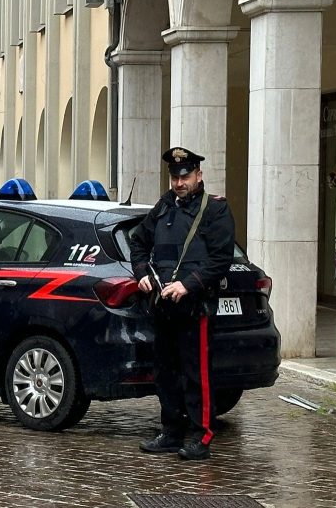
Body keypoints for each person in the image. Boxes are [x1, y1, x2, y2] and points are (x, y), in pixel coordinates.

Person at [127, 146, 235, 461]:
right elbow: (138, 242)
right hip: (164, 307)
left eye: (185, 176)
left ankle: (202, 436)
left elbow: (220, 260)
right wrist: (142, 274)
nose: (179, 183)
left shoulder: (214, 210)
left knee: (196, 375)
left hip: (194, 308)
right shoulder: (163, 206)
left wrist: (188, 285)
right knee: (165, 373)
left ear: (199, 175)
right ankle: (171, 432)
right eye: (174, 177)